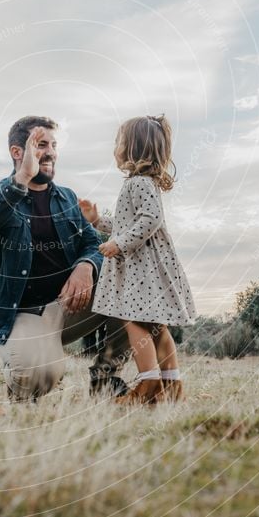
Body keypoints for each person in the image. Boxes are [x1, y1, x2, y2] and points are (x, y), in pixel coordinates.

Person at [0, 115, 130, 402]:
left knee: (135, 282)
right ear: (18, 153)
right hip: (22, 314)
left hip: (70, 306)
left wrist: (86, 265)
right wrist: (21, 180)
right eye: (41, 144)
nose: (52, 151)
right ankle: (26, 366)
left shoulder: (66, 198)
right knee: (39, 377)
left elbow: (92, 243)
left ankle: (105, 378)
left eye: (54, 144)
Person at [78, 114, 197, 405]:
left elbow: (150, 219)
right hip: (147, 266)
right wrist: (97, 221)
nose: (115, 147)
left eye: (119, 141)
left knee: (134, 322)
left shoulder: (140, 183)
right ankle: (172, 385)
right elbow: (126, 222)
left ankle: (149, 383)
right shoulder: (142, 183)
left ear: (133, 148)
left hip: (142, 268)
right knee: (157, 326)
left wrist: (118, 244)